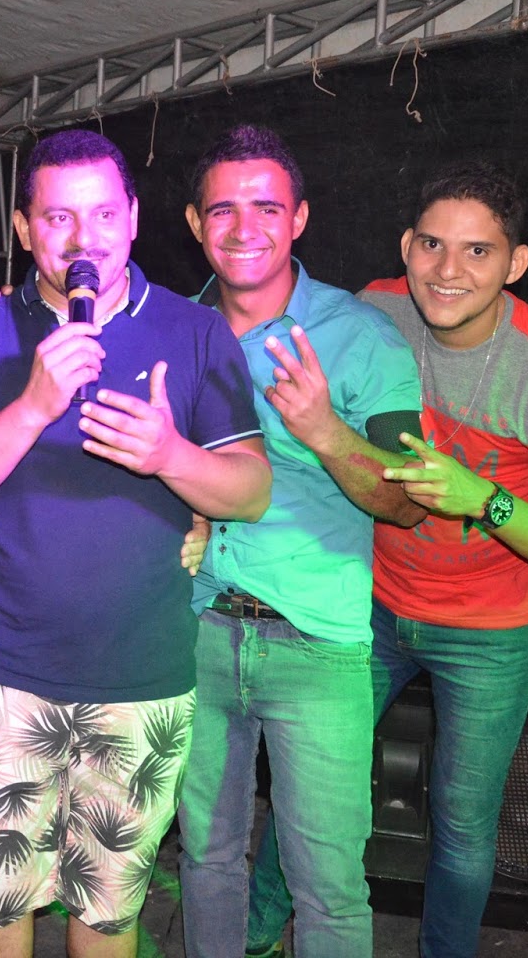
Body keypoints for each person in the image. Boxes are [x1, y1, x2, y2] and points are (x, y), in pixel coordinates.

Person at [0, 129, 273, 958]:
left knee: (108, 920)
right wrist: (33, 405)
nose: (85, 240)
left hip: (142, 683)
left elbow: (251, 492)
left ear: (135, 219)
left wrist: (170, 455)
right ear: (23, 228)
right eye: (59, 218)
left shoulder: (195, 331)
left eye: (105, 215)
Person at [247, 160, 528, 957]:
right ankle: (256, 933)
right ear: (406, 245)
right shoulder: (372, 312)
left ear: (515, 263)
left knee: (462, 824)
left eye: (478, 251)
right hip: (370, 607)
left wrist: (484, 498)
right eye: (433, 245)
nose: (449, 270)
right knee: (309, 791)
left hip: (492, 633)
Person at [178, 125, 426, 957]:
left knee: (329, 890)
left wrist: (323, 430)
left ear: (300, 219)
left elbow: (407, 505)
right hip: (197, 634)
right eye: (223, 209)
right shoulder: (176, 330)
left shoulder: (362, 337)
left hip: (317, 647)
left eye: (266, 207)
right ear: (195, 223)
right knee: (206, 860)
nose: (243, 227)